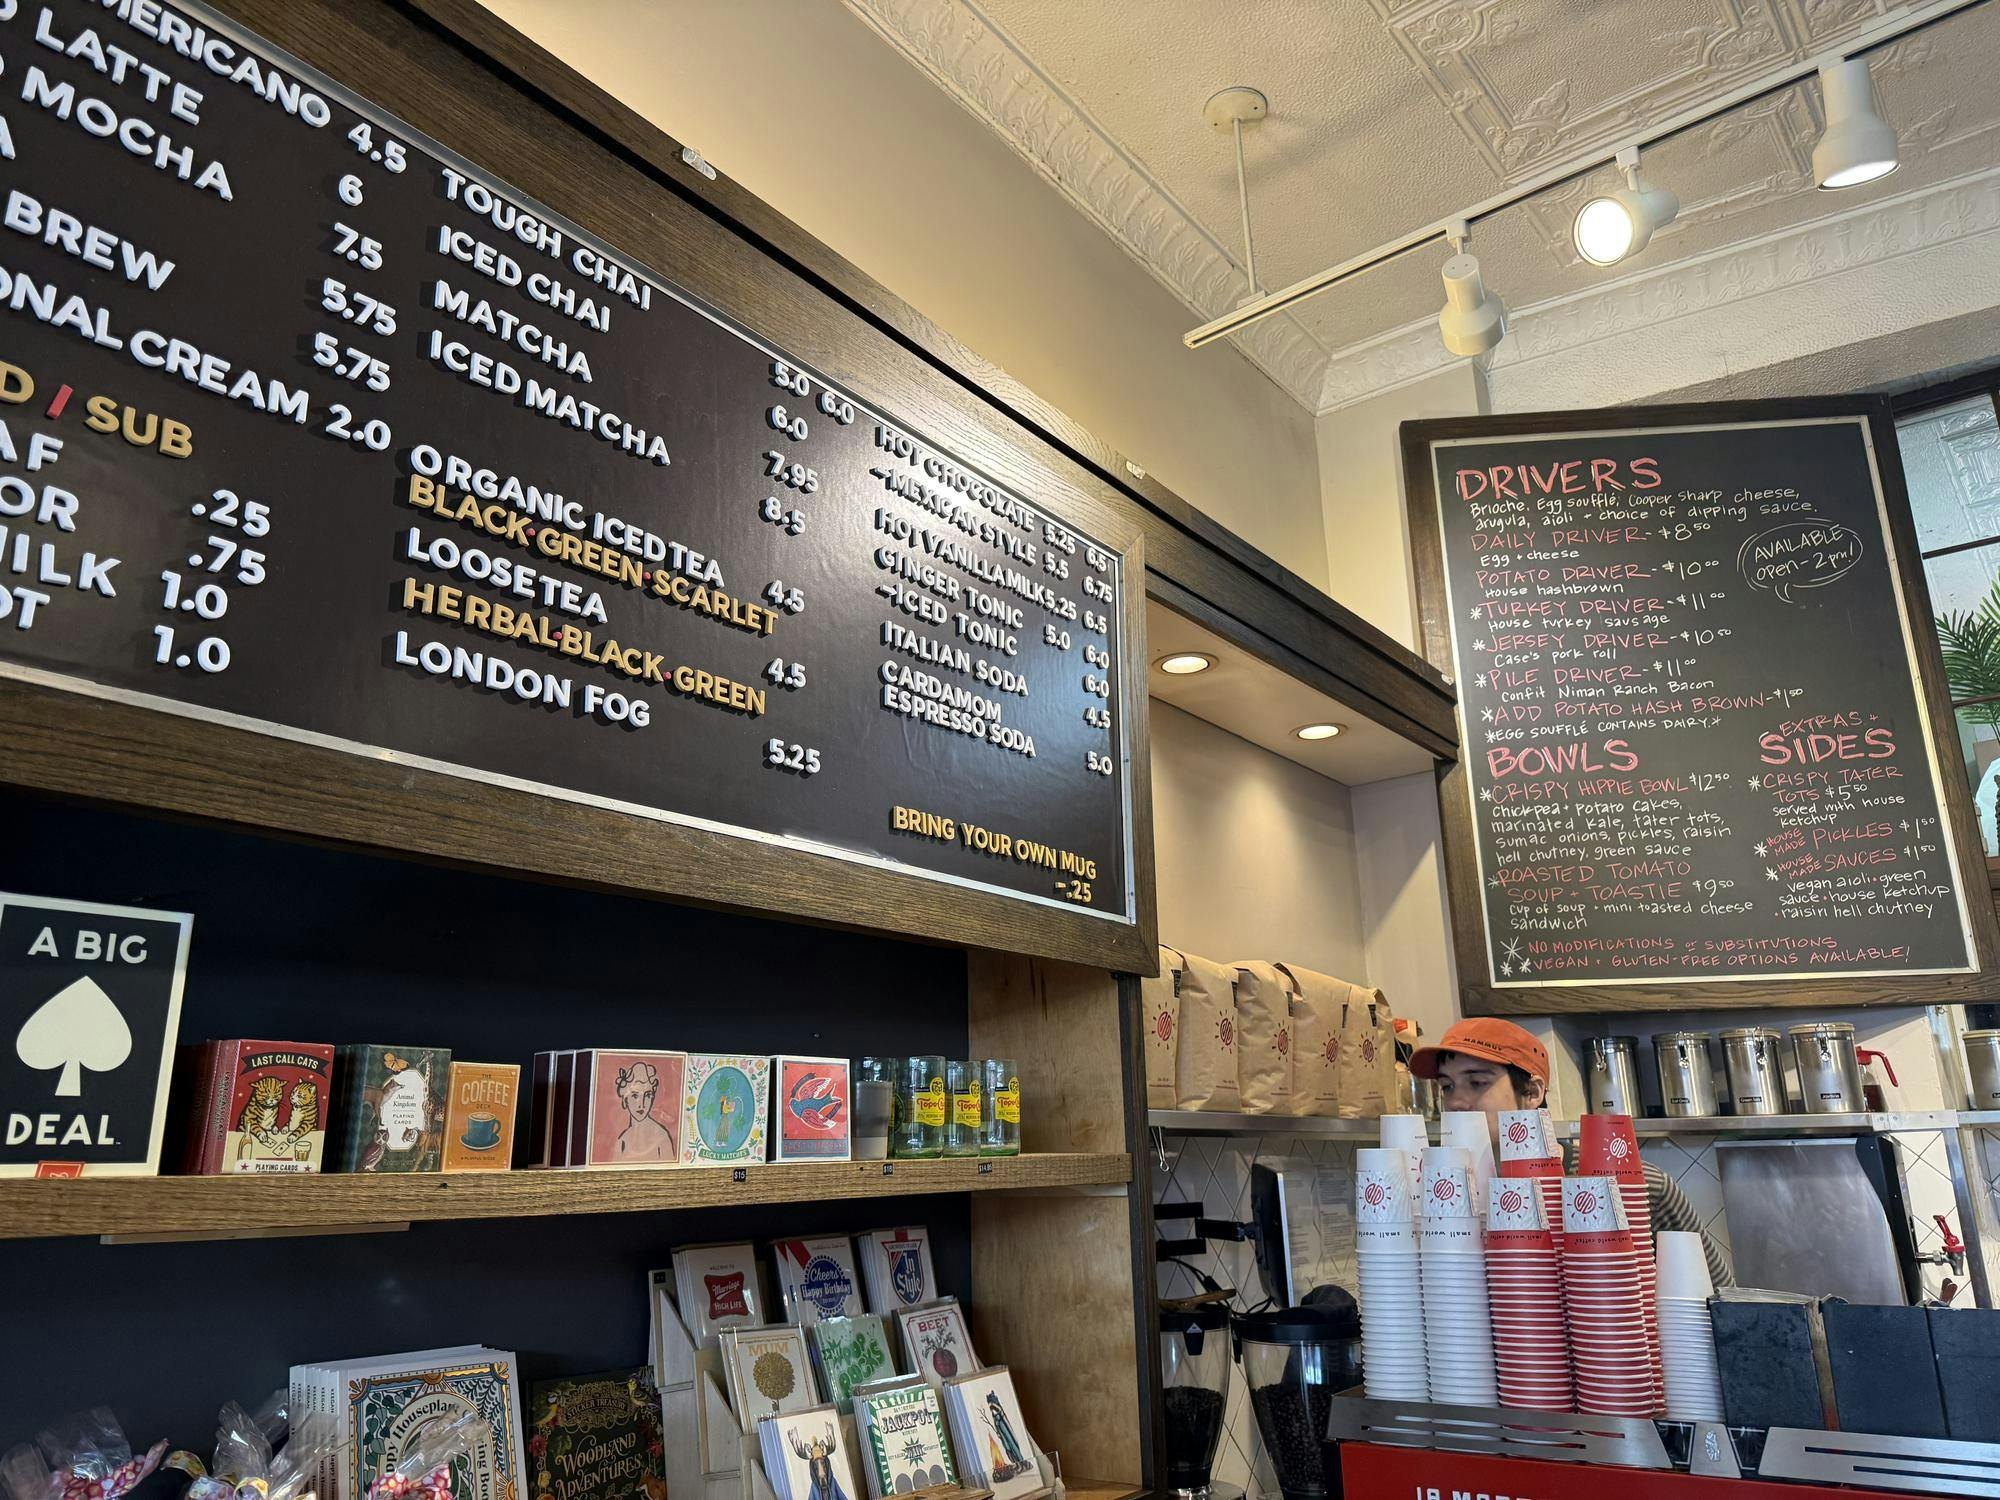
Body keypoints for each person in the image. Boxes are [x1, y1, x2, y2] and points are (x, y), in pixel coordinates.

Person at [1409, 1017, 1733, 1287]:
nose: (1456, 1102)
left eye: (1477, 1083)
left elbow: (1718, 1298)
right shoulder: (1442, 1196)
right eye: (1447, 1086)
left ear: (1533, 1092)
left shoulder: (1639, 1185)